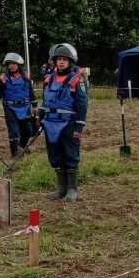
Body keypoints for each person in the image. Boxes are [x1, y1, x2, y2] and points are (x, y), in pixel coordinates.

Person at [37, 44, 88, 202]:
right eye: (59, 59)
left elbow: (83, 104)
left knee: (70, 155)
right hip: (50, 123)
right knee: (55, 155)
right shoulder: (48, 79)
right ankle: (61, 188)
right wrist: (39, 115)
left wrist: (79, 126)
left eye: (64, 59)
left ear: (71, 62)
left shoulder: (76, 80)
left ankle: (72, 189)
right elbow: (45, 100)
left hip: (69, 124)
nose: (61, 62)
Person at [0, 52, 39, 158]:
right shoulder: (3, 77)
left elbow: (31, 91)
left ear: (19, 65)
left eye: (13, 63)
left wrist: (35, 106)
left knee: (27, 131)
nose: (11, 65)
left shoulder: (26, 76)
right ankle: (14, 154)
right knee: (13, 131)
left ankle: (22, 146)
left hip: (25, 107)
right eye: (9, 64)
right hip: (10, 108)